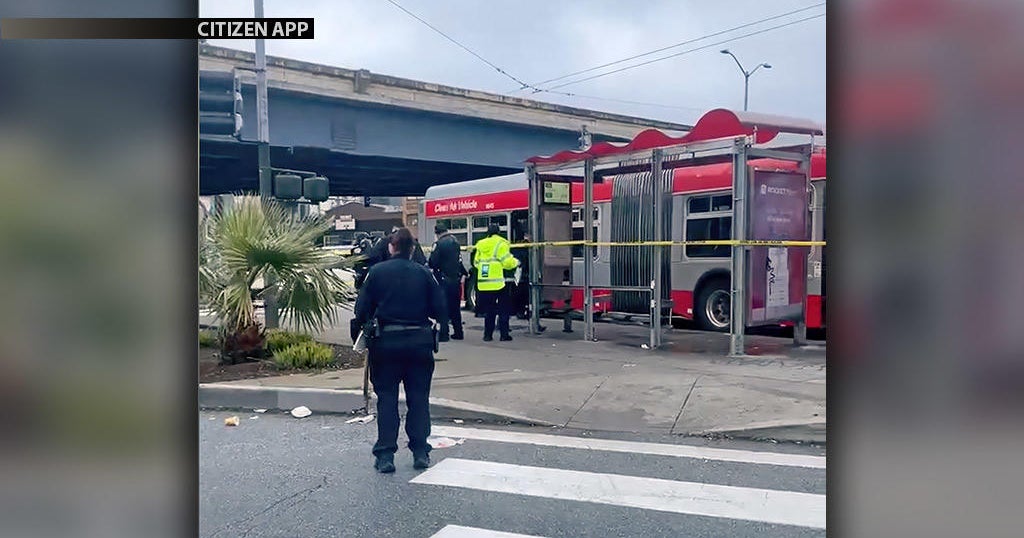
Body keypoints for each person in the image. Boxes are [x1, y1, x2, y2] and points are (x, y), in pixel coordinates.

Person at [352, 227, 448, 473]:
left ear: (391, 247)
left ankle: (386, 455)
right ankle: (420, 451)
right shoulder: (424, 273)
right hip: (419, 343)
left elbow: (361, 310)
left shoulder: (377, 272)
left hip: (386, 344)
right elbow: (440, 310)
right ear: (412, 250)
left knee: (387, 399)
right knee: (419, 399)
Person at [472, 221, 520, 342]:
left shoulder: (481, 244)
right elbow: (507, 263)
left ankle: (487, 335)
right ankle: (504, 335)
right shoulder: (501, 243)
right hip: (499, 283)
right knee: (503, 309)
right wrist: (516, 262)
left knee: (489, 311)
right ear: (498, 232)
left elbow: (476, 263)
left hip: (484, 283)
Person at [428, 224, 467, 340]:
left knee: (443, 307)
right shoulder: (455, 242)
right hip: (455, 279)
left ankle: (444, 334)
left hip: (443, 279)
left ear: (437, 233)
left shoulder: (439, 244)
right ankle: (458, 332)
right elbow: (459, 261)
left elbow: (433, 262)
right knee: (455, 307)